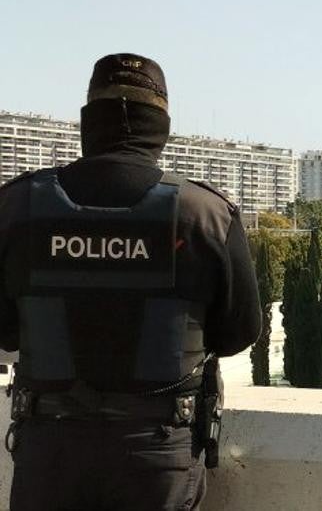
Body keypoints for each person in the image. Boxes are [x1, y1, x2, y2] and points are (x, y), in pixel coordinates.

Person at [0, 54, 262, 511]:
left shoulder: (17, 206)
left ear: (89, 120)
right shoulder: (204, 214)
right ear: (159, 124)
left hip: (49, 451)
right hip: (159, 456)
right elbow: (239, 332)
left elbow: (2, 330)